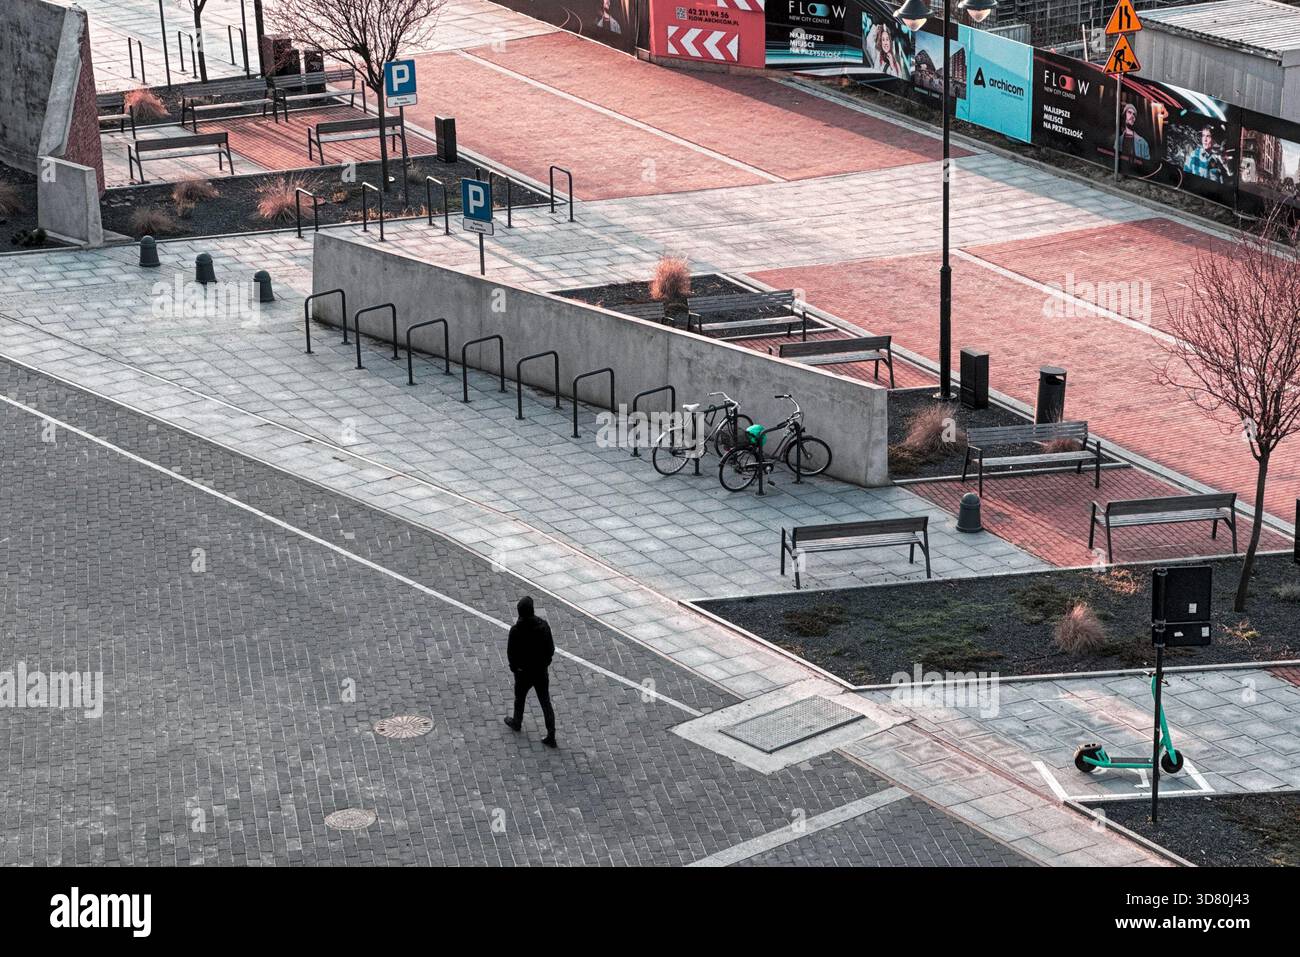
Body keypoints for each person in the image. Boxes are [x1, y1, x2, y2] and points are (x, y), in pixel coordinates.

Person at [503, 596, 556, 748]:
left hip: (523, 673)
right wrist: (545, 663)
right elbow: (550, 649)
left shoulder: (516, 631)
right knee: (545, 702)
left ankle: (517, 721)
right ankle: (551, 734)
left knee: (519, 698)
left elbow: (511, 653)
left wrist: (515, 668)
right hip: (540, 672)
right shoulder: (543, 626)